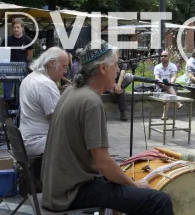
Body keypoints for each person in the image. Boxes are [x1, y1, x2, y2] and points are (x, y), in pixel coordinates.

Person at [41, 40, 174, 214]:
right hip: (71, 193)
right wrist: (134, 185)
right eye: (116, 64)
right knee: (158, 201)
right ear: (103, 68)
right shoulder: (91, 102)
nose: (118, 70)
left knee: (123, 176)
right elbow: (103, 163)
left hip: (58, 188)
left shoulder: (72, 90)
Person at [19, 47, 69, 184]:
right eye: (64, 66)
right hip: (39, 142)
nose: (65, 71)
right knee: (81, 143)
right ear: (52, 63)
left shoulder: (31, 78)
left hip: (25, 140)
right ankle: (71, 187)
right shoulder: (46, 84)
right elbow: (59, 120)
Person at [4, 18, 35, 99]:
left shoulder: (27, 40)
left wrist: (24, 63)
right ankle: (6, 103)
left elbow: (29, 55)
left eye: (18, 27)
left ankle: (17, 105)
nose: (16, 29)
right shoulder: (7, 40)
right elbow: (2, 53)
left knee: (20, 89)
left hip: (22, 67)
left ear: (22, 28)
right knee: (7, 90)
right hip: (8, 67)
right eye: (14, 27)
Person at [154, 52, 182, 120]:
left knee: (167, 92)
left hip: (170, 85)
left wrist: (170, 83)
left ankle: (164, 115)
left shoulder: (172, 66)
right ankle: (178, 103)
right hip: (160, 85)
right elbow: (156, 78)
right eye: (162, 56)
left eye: (165, 56)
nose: (163, 57)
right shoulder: (157, 67)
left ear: (169, 57)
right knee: (168, 90)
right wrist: (162, 83)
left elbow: (173, 76)